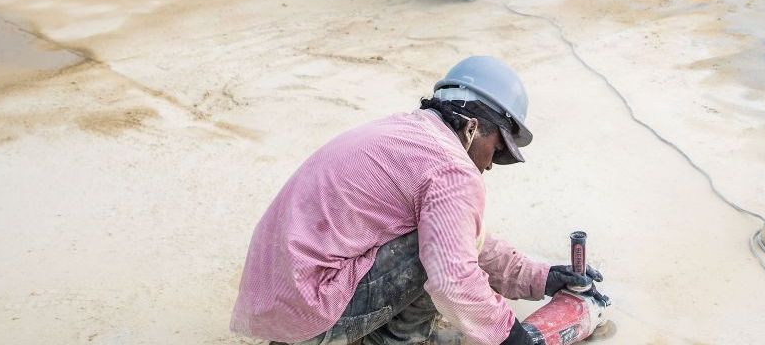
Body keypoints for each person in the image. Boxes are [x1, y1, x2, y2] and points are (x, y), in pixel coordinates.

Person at [230, 56, 605, 345]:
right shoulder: (449, 168)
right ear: (474, 128)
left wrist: (539, 278)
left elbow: (463, 238)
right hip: (309, 313)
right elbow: (452, 275)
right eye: (499, 149)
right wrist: (510, 337)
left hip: (277, 302)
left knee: (441, 246)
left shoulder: (409, 133)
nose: (492, 164)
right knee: (440, 262)